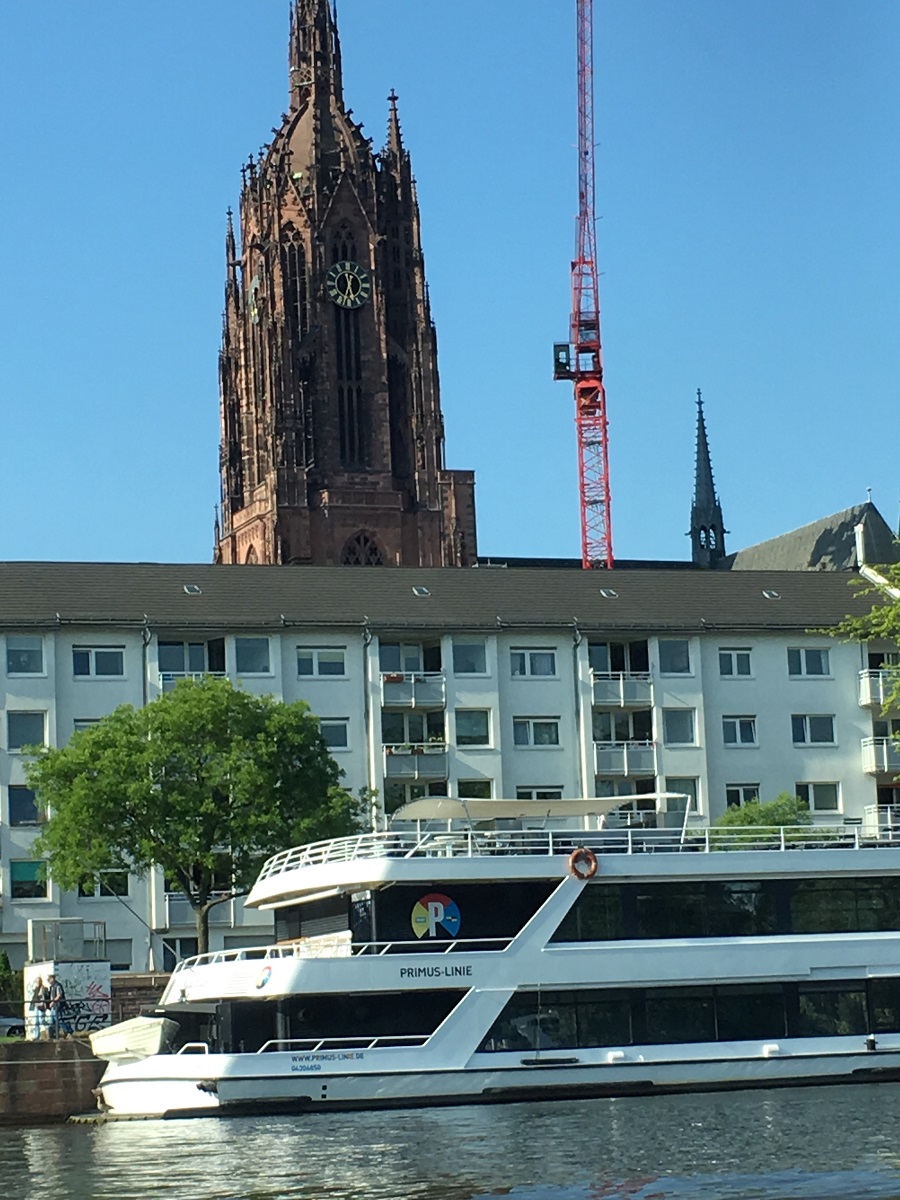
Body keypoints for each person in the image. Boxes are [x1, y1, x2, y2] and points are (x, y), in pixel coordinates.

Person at [46, 974, 73, 1040]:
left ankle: (69, 1031)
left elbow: (59, 995)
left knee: (59, 1020)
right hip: (54, 1006)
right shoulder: (52, 987)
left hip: (57, 1006)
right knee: (53, 1021)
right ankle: (53, 1035)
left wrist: (53, 1002)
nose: (48, 981)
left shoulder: (57, 985)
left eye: (48, 979)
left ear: (52, 979)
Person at [29, 976, 49, 1040]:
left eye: (38, 981)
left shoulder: (44, 988)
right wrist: (32, 1005)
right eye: (37, 981)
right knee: (36, 1021)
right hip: (36, 1006)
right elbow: (34, 998)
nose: (37, 982)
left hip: (41, 1006)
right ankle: (37, 1036)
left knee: (41, 1021)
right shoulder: (36, 989)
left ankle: (48, 1030)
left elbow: (46, 996)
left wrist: (43, 993)